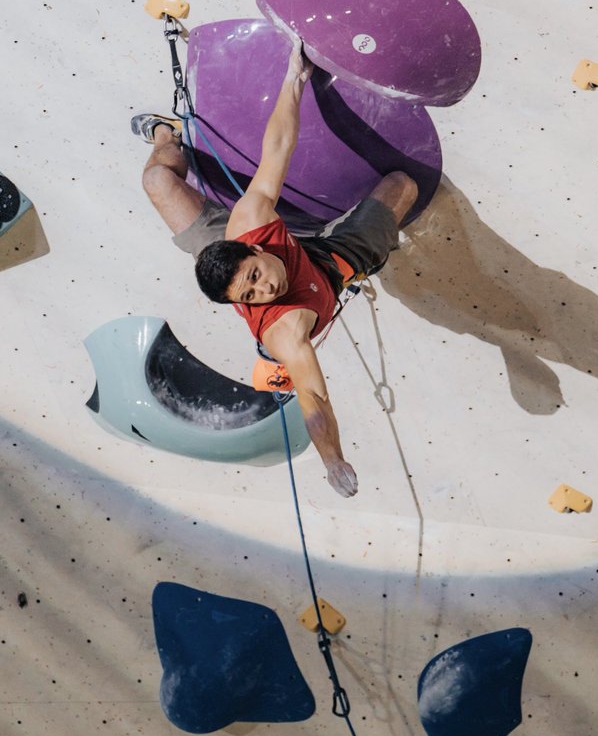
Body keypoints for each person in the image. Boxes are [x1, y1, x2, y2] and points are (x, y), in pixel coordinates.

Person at [133, 39, 418, 497]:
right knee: (403, 187)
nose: (265, 289)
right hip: (330, 268)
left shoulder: (250, 224)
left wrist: (295, 78)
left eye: (255, 277)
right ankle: (167, 137)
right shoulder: (286, 329)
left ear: (251, 251)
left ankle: (168, 138)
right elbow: (316, 401)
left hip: (246, 249)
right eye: (249, 297)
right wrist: (332, 459)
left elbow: (279, 146)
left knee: (156, 182)